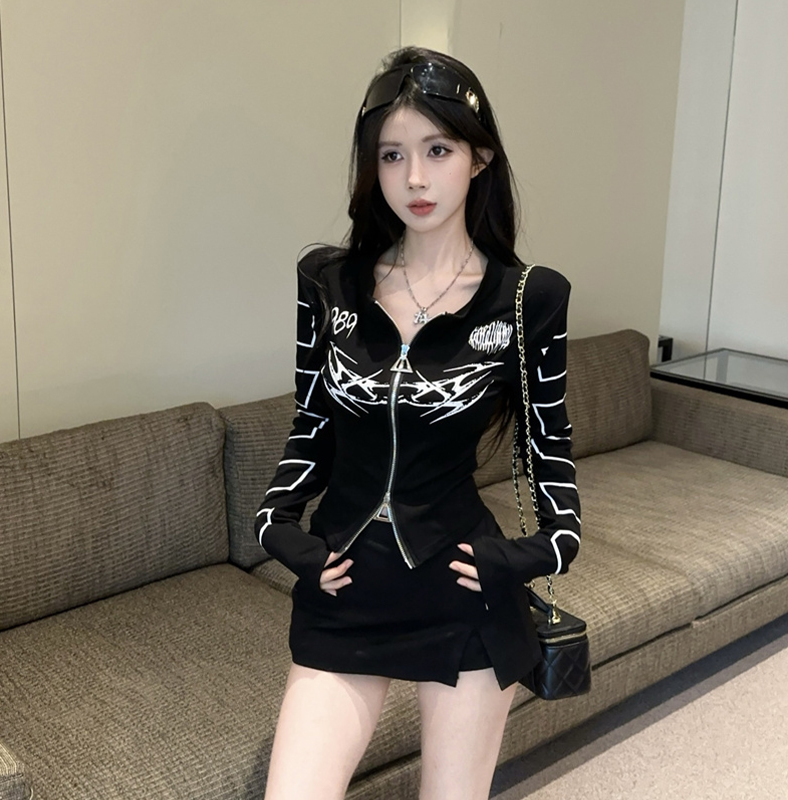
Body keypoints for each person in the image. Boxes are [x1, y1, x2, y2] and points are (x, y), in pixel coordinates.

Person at [256, 46, 582, 800]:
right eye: (392, 154)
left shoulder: (528, 298)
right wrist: (275, 524)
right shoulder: (328, 282)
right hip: (344, 588)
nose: (414, 179)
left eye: (438, 150)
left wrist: (543, 552)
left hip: (463, 590)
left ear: (479, 157)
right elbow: (311, 422)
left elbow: (551, 452)